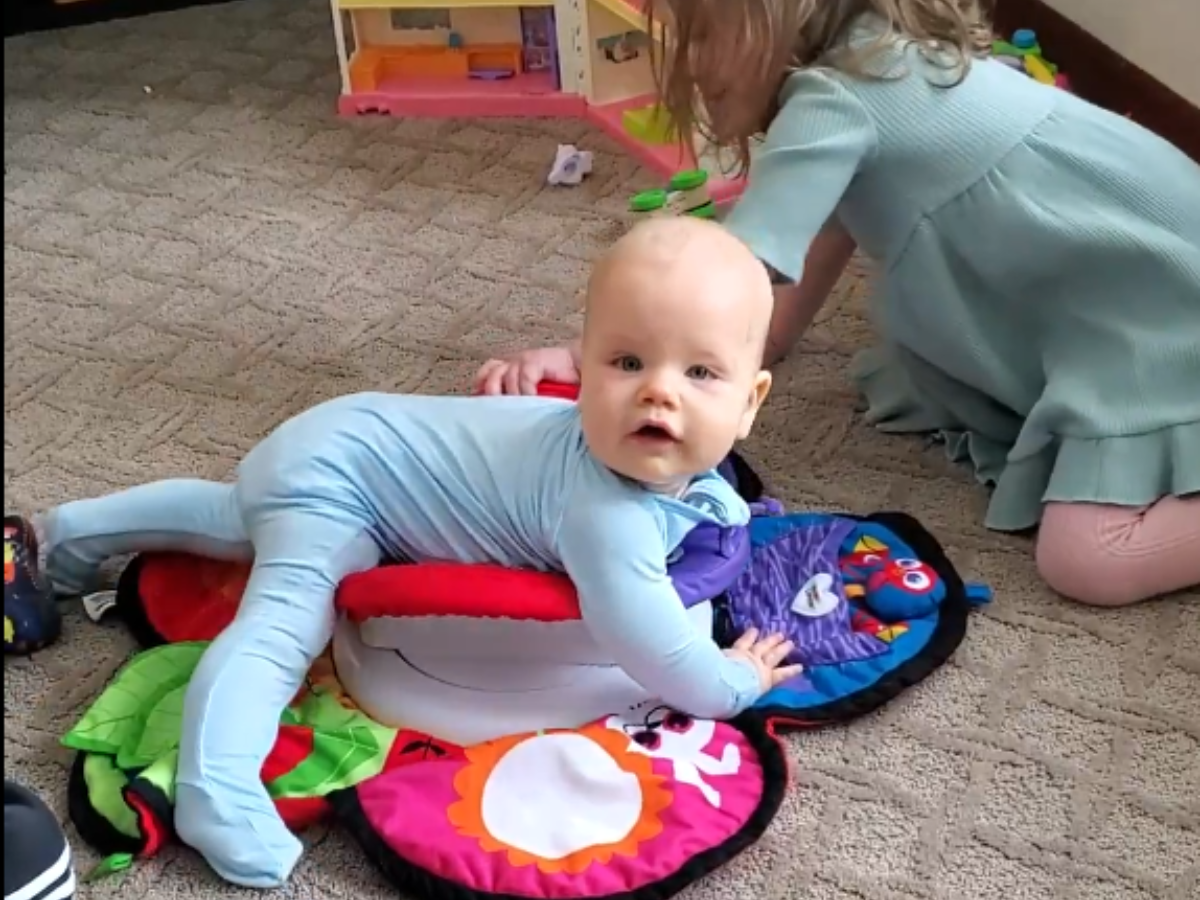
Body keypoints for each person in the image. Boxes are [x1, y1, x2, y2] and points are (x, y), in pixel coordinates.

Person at [2, 217, 799, 889]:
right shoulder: (605, 516)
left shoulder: (637, 462)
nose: (659, 391)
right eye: (626, 363)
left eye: (699, 373)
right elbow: (651, 642)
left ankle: (64, 536)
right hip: (344, 483)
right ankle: (218, 790)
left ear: (751, 402)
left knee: (232, 514)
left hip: (343, 433)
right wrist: (737, 680)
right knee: (281, 626)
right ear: (582, 369)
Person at [476, 0, 1200, 609]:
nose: (691, 64)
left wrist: (591, 357)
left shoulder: (834, 101)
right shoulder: (880, 57)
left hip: (1157, 315)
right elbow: (767, 306)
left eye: (698, 35)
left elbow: (725, 281)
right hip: (1125, 278)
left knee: (1088, 560)